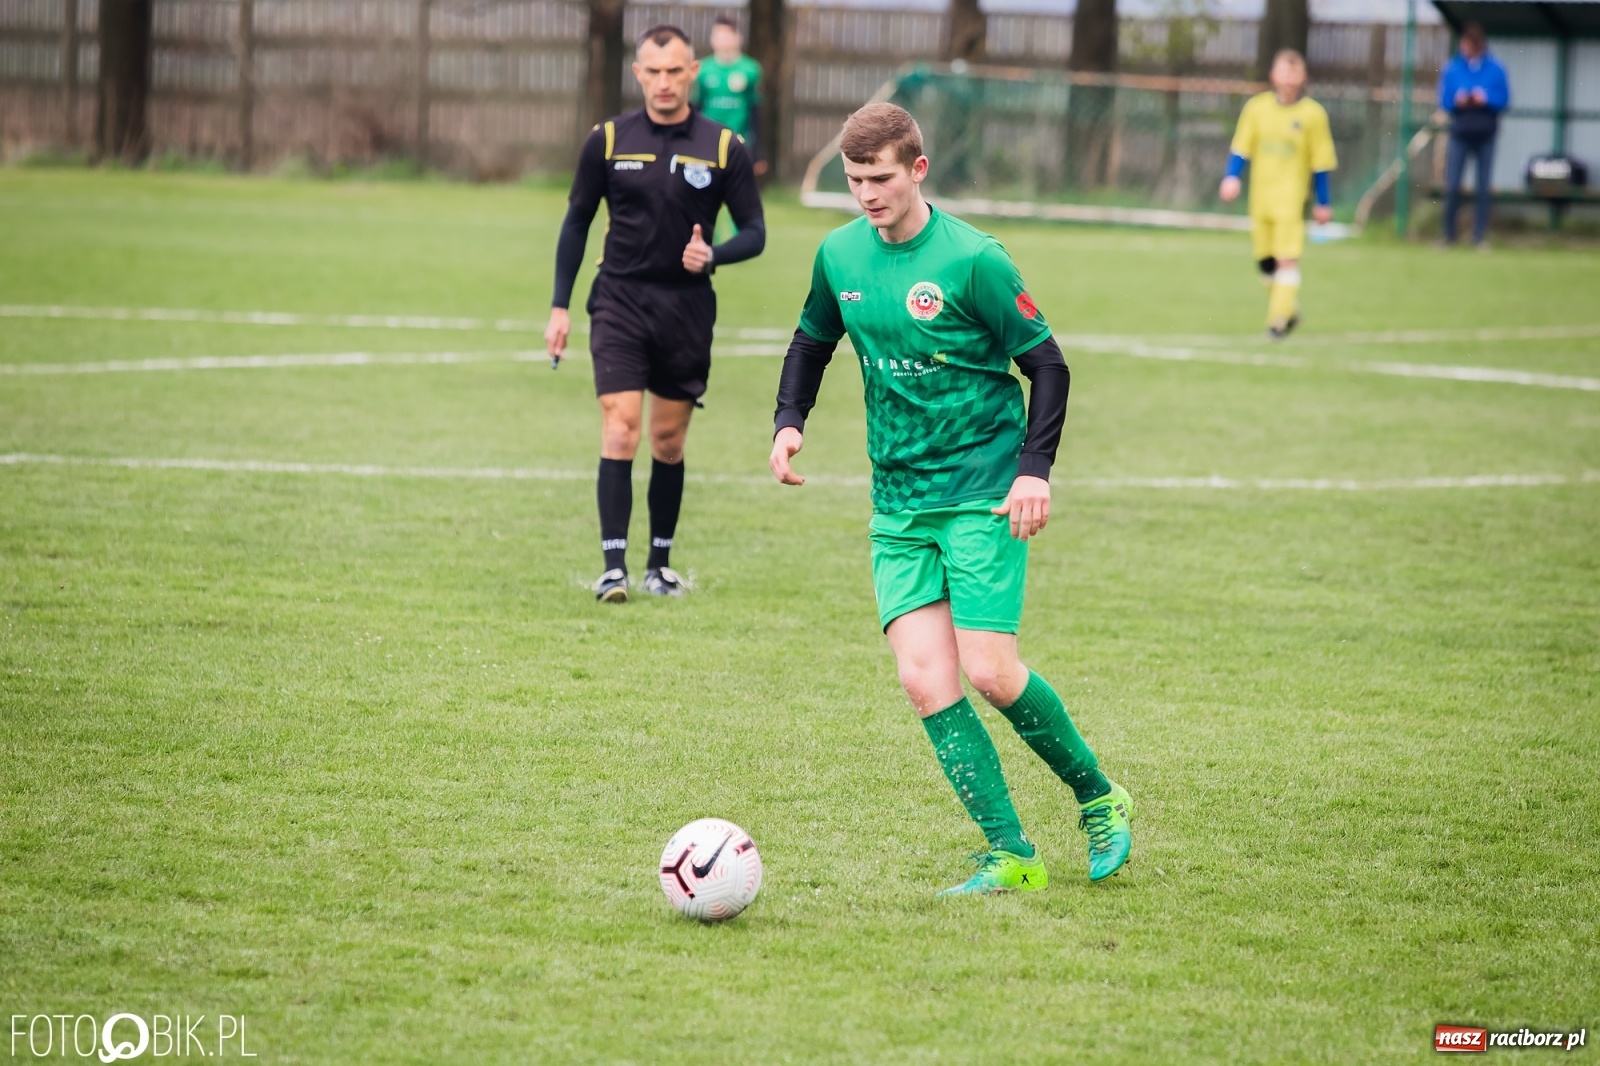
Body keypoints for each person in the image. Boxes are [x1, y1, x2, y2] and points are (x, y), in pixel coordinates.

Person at [769, 102, 1133, 897]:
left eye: (881, 178)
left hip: (981, 490)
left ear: (918, 170)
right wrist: (789, 423)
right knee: (926, 683)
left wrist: (1034, 469)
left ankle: (1098, 796)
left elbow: (1048, 365)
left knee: (992, 673)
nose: (866, 194)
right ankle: (1013, 854)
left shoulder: (974, 261)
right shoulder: (838, 256)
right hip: (898, 502)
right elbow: (811, 340)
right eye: (855, 179)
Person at [546, 25, 765, 603]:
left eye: (675, 71)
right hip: (618, 299)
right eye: (653, 71)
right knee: (620, 426)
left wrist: (713, 254)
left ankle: (658, 564)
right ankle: (613, 567)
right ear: (638, 73)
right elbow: (575, 223)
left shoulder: (723, 146)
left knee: (668, 440)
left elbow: (756, 233)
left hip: (686, 308)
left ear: (693, 72)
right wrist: (559, 307)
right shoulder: (609, 140)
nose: (664, 82)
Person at [1219, 49, 1337, 339]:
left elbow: (1320, 162)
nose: (1288, 79)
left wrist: (1323, 202)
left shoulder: (1313, 114)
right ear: (1273, 76)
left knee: (1287, 260)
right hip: (1261, 199)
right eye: (1284, 72)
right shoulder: (1256, 108)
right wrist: (1231, 176)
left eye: (1294, 73)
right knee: (1266, 265)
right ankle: (1289, 309)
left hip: (1291, 201)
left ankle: (1276, 323)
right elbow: (1241, 148)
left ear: (1303, 77)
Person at [1438, 23, 1510, 247]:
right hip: (1460, 132)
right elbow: (1444, 101)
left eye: (1468, 45)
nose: (1465, 49)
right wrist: (1457, 100)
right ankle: (1449, 236)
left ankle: (1478, 237)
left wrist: (1484, 99)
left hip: (1486, 135)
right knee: (1452, 186)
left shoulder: (1496, 69)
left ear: (1478, 45)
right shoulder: (1453, 68)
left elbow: (1505, 99)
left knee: (1482, 187)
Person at [695, 15, 765, 178]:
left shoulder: (750, 69)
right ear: (712, 39)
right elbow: (695, 108)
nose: (723, 41)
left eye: (728, 36)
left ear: (738, 38)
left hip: (740, 141)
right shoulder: (702, 70)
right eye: (719, 36)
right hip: (708, 140)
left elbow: (756, 111)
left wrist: (759, 152)